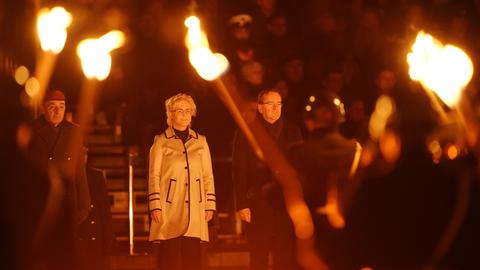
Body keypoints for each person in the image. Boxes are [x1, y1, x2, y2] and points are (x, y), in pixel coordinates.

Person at [289, 91, 361, 269]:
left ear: (309, 120)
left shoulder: (298, 153)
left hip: (309, 236)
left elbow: (282, 192)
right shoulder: (357, 150)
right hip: (348, 236)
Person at [232, 88, 302, 270]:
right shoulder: (247, 132)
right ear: (260, 108)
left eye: (278, 104)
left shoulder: (293, 131)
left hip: (284, 202)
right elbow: (239, 168)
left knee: (284, 252)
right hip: (257, 201)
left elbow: (299, 167)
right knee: (259, 253)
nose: (275, 109)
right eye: (270, 104)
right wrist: (242, 203)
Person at [148, 93, 216, 270]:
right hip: (169, 206)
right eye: (180, 110)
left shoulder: (200, 141)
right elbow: (153, 175)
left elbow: (208, 175)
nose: (185, 114)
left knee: (193, 257)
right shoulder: (161, 141)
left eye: (188, 110)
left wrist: (209, 204)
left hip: (196, 205)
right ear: (170, 114)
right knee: (168, 257)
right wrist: (155, 204)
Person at [27, 89, 91, 269]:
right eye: (52, 107)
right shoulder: (31, 130)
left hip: (67, 201)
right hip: (40, 203)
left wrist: (84, 204)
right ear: (43, 109)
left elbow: (79, 170)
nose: (57, 111)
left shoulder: (73, 132)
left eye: (61, 107)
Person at [76, 147, 114, 270]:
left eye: (85, 152)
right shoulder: (64, 175)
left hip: (94, 241)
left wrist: (107, 243)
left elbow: (105, 212)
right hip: (76, 240)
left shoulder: (95, 176)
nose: (83, 156)